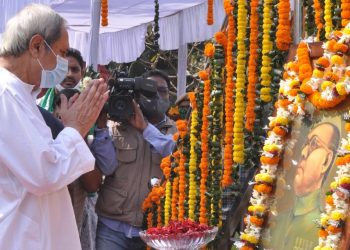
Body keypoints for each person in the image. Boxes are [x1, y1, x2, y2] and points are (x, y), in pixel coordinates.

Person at [0, 4, 108, 250]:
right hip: (21, 238)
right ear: (37, 46)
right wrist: (75, 128)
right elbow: (44, 174)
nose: (62, 66)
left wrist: (72, 128)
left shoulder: (19, 93)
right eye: (60, 53)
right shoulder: (5, 93)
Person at [95, 69, 177, 250]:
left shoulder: (177, 132)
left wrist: (146, 128)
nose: (155, 95)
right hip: (112, 228)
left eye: (161, 90)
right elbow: (107, 168)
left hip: (154, 231)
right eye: (149, 91)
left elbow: (177, 158)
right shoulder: (117, 126)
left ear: (169, 96)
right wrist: (101, 128)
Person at [270, 122, 340, 250]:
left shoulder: (327, 232)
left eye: (314, 144)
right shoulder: (277, 220)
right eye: (306, 144)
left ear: (326, 162)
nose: (303, 152)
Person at [40, 47, 85, 112]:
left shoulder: (90, 106)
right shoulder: (38, 104)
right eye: (63, 69)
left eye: (74, 69)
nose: (69, 74)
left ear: (82, 73)